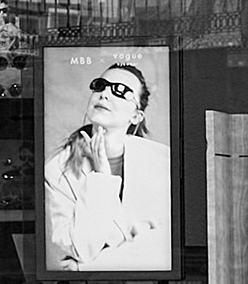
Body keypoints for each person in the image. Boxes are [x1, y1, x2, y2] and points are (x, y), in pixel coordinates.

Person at [42, 60, 171, 271]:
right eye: (100, 85)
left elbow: (162, 250)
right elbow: (79, 248)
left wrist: (88, 266)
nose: (104, 94)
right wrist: (102, 178)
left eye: (121, 90)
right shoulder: (58, 171)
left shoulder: (162, 161)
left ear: (136, 116)